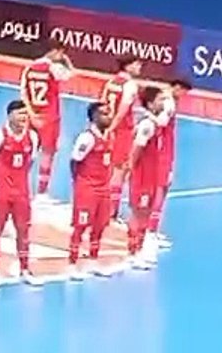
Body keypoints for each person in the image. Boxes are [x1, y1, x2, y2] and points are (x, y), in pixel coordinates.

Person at [0, 100, 39, 285]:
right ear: (10, 116)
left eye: (25, 113)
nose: (24, 117)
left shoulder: (32, 137)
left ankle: (25, 269)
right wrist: (0, 181)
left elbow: (30, 162)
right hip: (1, 194)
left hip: (22, 193)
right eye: (19, 113)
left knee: (24, 231)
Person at [19, 42, 73, 202]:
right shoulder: (54, 68)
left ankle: (20, 186)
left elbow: (23, 94)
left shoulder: (29, 68)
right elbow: (70, 74)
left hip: (32, 114)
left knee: (26, 151)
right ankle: (41, 193)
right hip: (50, 117)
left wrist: (31, 114)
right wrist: (66, 59)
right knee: (48, 153)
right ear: (56, 51)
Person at [68, 101, 114, 279]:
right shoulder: (86, 138)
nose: (108, 117)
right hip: (87, 188)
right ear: (94, 117)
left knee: (100, 225)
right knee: (80, 226)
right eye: (104, 114)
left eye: (109, 113)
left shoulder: (109, 136)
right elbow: (74, 161)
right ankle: (72, 263)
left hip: (103, 188)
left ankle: (93, 261)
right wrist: (80, 182)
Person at [126, 85, 170, 268]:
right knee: (139, 214)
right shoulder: (147, 125)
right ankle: (133, 251)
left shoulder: (155, 122)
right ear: (151, 104)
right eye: (160, 99)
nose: (164, 103)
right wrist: (131, 168)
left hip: (150, 175)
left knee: (145, 214)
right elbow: (136, 149)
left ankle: (139, 248)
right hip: (142, 176)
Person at [151, 79, 190, 251]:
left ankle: (152, 229)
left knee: (162, 187)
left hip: (166, 150)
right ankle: (151, 231)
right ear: (177, 88)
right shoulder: (169, 103)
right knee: (160, 188)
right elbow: (161, 122)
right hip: (162, 151)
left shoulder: (164, 99)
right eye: (183, 92)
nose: (184, 96)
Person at [101, 54, 141, 218]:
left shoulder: (110, 82)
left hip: (108, 127)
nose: (139, 67)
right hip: (122, 131)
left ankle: (105, 206)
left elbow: (102, 105)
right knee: (120, 170)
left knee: (109, 168)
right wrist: (112, 128)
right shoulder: (130, 85)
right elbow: (122, 111)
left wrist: (104, 128)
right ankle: (111, 212)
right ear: (128, 66)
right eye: (137, 64)